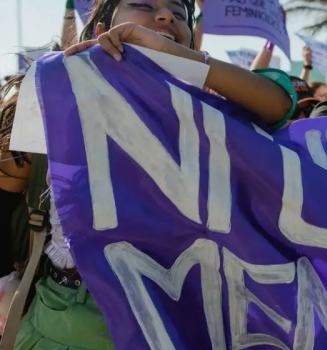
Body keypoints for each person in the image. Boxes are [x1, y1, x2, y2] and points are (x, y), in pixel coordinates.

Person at [0, 0, 298, 348]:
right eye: (142, 4)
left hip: (186, 323)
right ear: (102, 27)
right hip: (70, 322)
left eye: (179, 14)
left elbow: (277, 104)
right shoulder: (52, 95)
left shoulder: (206, 114)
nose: (166, 16)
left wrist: (166, 49)